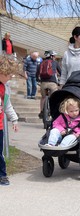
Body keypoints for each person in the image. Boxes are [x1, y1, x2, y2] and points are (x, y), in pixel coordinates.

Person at [0, 55, 20, 185]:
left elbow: (7, 105)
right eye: (8, 75)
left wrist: (14, 120)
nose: (10, 77)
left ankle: (2, 175)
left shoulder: (5, 88)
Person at [37, 50, 61, 119]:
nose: (55, 57)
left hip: (43, 83)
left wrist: (38, 80)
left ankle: (41, 111)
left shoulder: (41, 63)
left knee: (43, 97)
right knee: (54, 98)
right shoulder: (55, 63)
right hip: (52, 83)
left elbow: (37, 73)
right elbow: (61, 72)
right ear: (51, 56)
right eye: (54, 56)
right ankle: (55, 111)